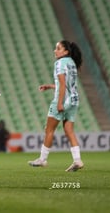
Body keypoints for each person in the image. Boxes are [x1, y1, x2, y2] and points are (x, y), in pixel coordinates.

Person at [28, 40, 84, 172]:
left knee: (49, 129)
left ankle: (42, 159)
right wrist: (50, 86)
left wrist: (59, 103)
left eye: (58, 48)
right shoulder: (72, 63)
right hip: (74, 100)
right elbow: (68, 85)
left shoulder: (59, 63)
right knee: (69, 130)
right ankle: (77, 160)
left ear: (66, 51)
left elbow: (63, 84)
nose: (55, 50)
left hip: (63, 100)